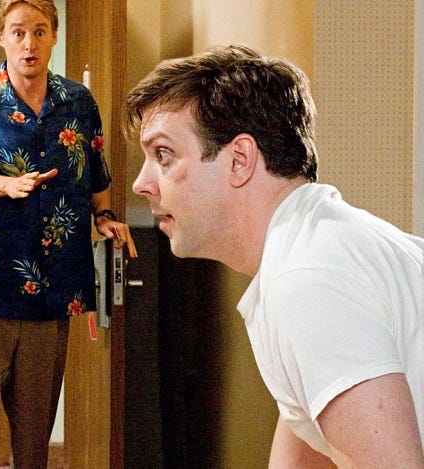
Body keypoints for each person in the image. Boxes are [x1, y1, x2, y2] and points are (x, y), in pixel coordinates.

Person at [128, 44, 424, 467]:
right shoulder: (303, 255)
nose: (141, 183)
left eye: (163, 155)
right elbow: (305, 450)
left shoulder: (309, 280)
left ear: (239, 160)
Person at [0, 1, 137, 467]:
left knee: (34, 440)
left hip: (53, 289)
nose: (29, 43)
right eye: (18, 32)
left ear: (54, 37)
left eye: (40, 31)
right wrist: (7, 185)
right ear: (2, 37)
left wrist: (105, 216)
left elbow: (95, 175)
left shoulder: (79, 103)